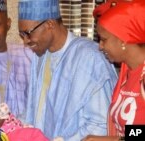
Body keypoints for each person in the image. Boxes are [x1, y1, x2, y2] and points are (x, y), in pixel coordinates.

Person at [18, 0, 118, 140]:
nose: (26, 41)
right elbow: (36, 113)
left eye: (28, 34)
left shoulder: (90, 58)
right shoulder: (40, 55)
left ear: (49, 24)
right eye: (22, 35)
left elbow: (100, 126)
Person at [83, 0, 145, 141]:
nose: (100, 46)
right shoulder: (127, 72)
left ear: (123, 40)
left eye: (104, 40)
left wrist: (115, 140)